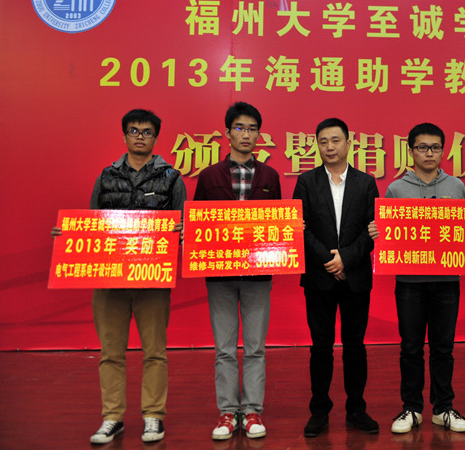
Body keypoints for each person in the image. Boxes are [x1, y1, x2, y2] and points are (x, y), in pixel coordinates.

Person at [51, 109, 185, 444]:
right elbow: (92, 223)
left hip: (153, 279)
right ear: (124, 135)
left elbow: (181, 225)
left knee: (155, 352)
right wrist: (69, 236)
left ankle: (153, 416)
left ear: (156, 137)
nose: (140, 136)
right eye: (134, 131)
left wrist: (182, 232)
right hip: (109, 279)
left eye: (147, 132)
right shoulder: (107, 176)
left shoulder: (171, 178)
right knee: (111, 352)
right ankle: (112, 418)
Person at [368, 123, 465, 434]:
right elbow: (387, 233)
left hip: (447, 280)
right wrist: (377, 233)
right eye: (422, 147)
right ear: (411, 151)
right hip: (409, 282)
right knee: (410, 347)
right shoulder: (396, 189)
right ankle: (411, 408)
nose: (429, 153)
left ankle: (443, 407)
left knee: (443, 347)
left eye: (435, 147)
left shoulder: (456, 186)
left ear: (442, 151)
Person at [193, 102, 282, 440]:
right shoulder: (209, 176)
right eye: (240, 128)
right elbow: (198, 222)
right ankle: (228, 412)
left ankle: (253, 410)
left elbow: (279, 225)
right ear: (228, 133)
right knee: (225, 348)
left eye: (252, 129)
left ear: (259, 134)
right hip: (220, 276)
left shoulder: (270, 177)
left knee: (256, 347)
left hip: (258, 276)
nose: (246, 134)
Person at [292, 117, 380, 437]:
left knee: (355, 346)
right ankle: (319, 411)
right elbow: (300, 227)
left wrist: (346, 258)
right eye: (323, 141)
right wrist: (330, 259)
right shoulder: (306, 182)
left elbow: (373, 229)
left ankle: (357, 409)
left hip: (356, 277)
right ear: (317, 146)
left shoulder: (366, 183)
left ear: (348, 143)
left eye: (335, 140)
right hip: (319, 277)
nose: (329, 147)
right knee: (321, 347)